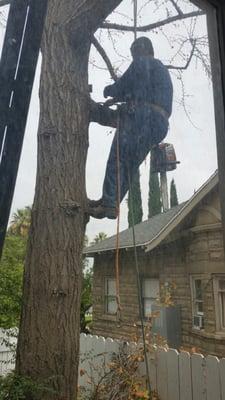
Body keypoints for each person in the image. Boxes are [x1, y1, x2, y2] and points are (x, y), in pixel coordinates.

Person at [89, 36, 173, 219]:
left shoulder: (143, 62)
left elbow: (123, 85)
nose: (134, 57)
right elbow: (137, 89)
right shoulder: (158, 70)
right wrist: (119, 98)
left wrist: (110, 91)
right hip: (159, 123)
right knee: (129, 165)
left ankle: (109, 202)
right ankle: (110, 203)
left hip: (143, 117)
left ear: (140, 50)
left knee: (117, 157)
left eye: (134, 53)